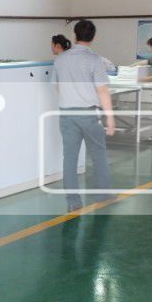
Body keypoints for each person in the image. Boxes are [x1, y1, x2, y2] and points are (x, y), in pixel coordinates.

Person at [52, 19, 116, 212]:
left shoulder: (60, 59)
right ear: (93, 37)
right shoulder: (94, 60)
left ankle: (73, 202)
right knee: (98, 154)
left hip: (66, 115)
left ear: (74, 35)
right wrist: (110, 118)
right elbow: (102, 91)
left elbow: (57, 87)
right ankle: (103, 195)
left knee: (70, 159)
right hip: (88, 114)